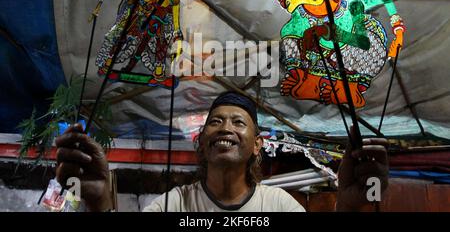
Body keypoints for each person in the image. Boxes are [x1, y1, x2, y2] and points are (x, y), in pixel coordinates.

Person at [55, 91, 389, 212]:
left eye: (238, 123)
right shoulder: (173, 205)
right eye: (215, 122)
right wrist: (98, 202)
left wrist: (347, 207)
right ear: (202, 141)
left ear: (258, 145)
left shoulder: (280, 206)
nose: (226, 128)